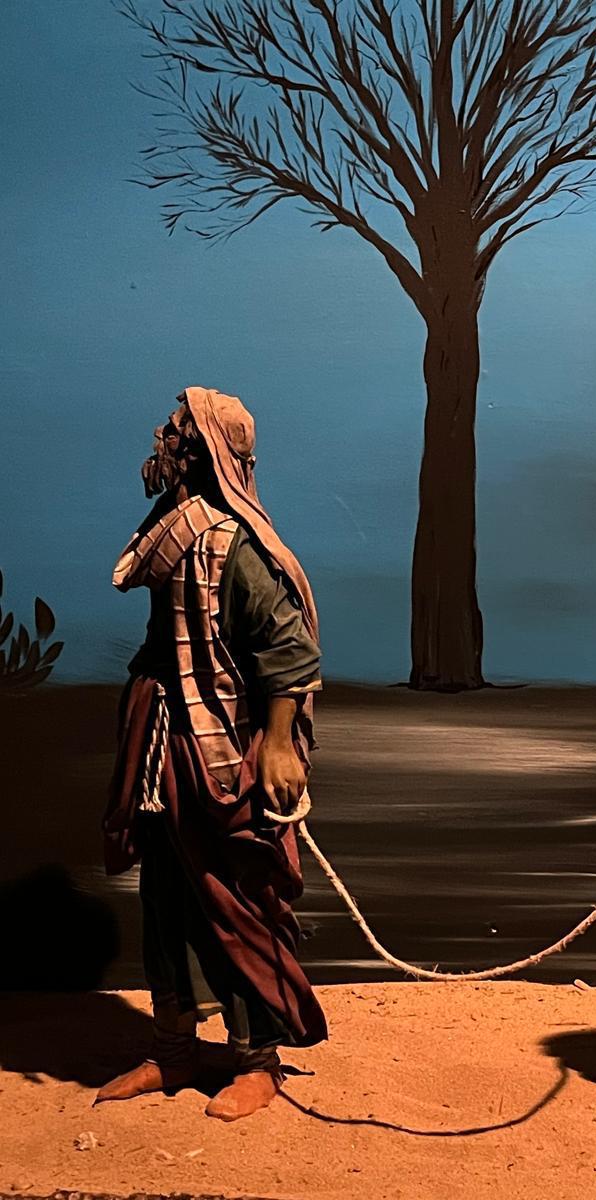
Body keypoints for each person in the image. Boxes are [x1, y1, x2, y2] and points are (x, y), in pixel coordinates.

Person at [96, 387, 326, 1121]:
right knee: (165, 898)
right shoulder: (174, 531)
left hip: (220, 751)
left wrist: (280, 744)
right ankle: (173, 1047)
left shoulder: (234, 546)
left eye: (175, 431)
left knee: (236, 903)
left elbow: (290, 651)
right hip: (165, 746)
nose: (161, 440)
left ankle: (257, 1060)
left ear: (201, 452)